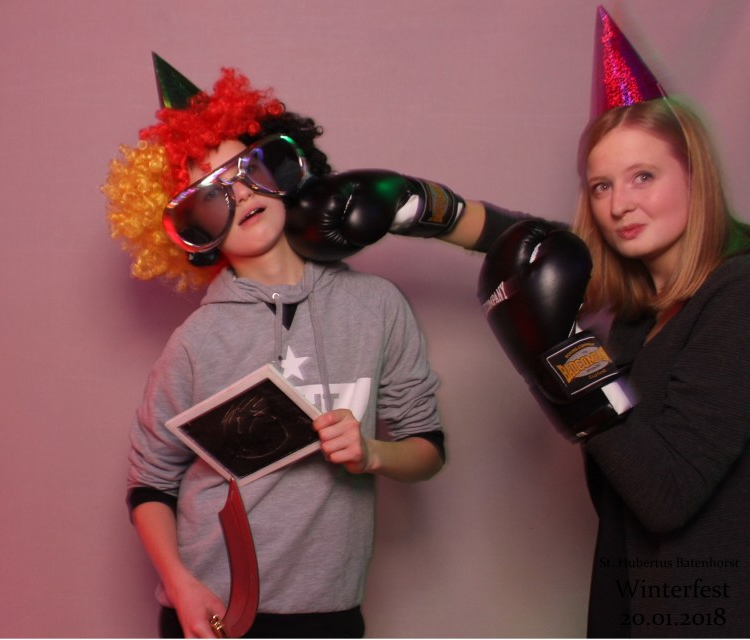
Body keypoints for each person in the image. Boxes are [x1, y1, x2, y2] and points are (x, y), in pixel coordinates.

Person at [286, 7, 750, 637]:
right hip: (640, 590)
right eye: (601, 186)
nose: (620, 205)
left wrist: (562, 354)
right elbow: (525, 242)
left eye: (644, 176)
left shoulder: (738, 292)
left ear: (697, 176)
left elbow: (667, 493)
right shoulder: (644, 298)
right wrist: (412, 204)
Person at [102, 54, 447, 638]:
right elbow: (150, 482)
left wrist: (372, 453)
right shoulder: (196, 342)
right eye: (211, 195)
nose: (239, 194)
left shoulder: (377, 307)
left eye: (248, 169)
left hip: (331, 612)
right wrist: (182, 588)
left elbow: (427, 447)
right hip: (215, 610)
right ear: (194, 230)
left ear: (286, 169)